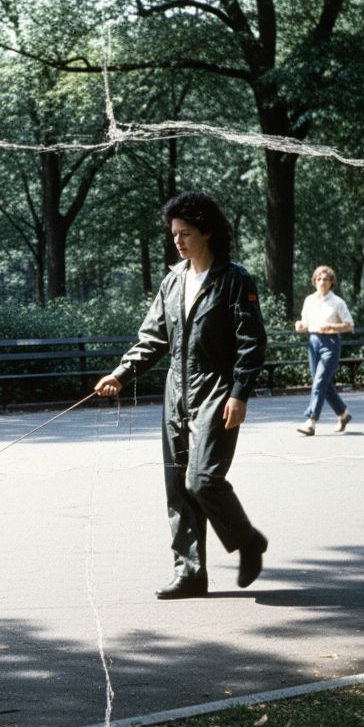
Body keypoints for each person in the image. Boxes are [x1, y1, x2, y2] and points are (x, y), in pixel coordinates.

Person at [94, 191, 269, 599]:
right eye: (174, 234)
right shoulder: (173, 280)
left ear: (207, 232)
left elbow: (251, 343)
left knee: (203, 479)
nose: (177, 241)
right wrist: (120, 374)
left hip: (217, 389)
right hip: (177, 391)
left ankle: (248, 541)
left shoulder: (234, 280)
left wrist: (239, 394)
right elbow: (153, 338)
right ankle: (190, 572)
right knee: (177, 484)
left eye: (185, 233)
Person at [294, 265, 354, 436]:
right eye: (319, 279)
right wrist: (299, 325)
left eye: (326, 279)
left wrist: (332, 326)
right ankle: (343, 414)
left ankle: (311, 422)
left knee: (320, 380)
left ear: (331, 282)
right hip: (313, 342)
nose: (322, 282)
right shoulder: (309, 300)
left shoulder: (337, 302)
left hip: (330, 343)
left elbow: (349, 325)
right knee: (322, 383)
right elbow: (304, 323)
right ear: (314, 281)